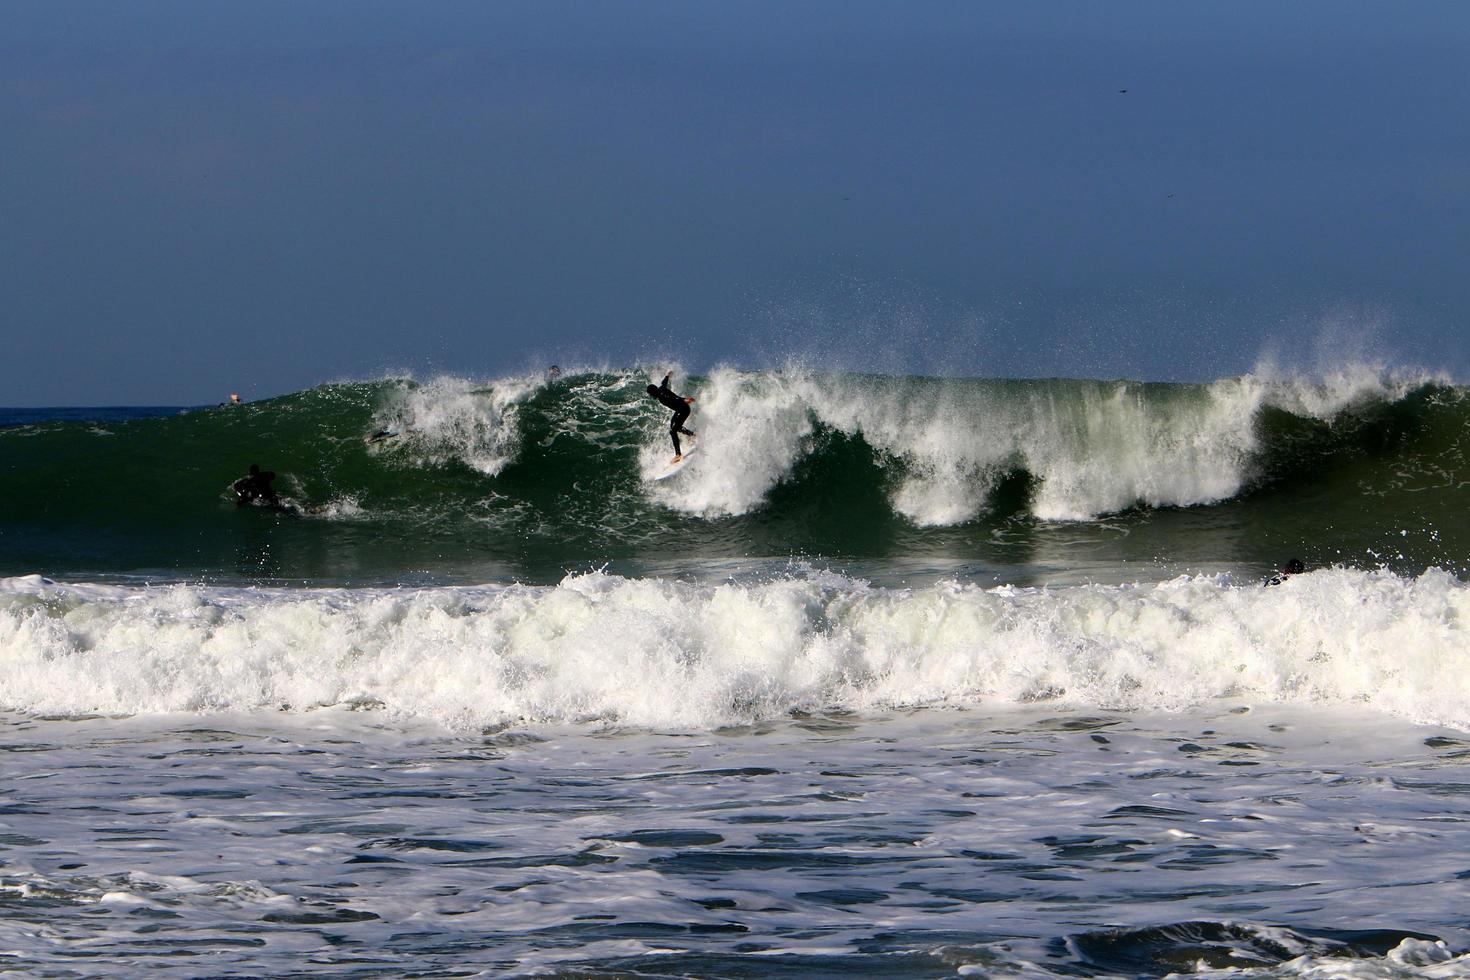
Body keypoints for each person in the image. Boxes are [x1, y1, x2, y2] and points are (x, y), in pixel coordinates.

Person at [646, 371, 696, 461]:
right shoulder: (661, 389)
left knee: (673, 430)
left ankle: (678, 455)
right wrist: (667, 376)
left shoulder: (661, 395)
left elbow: (675, 399)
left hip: (683, 408)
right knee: (676, 427)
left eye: (650, 394)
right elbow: (663, 383)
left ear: (653, 392)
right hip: (682, 409)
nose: (651, 396)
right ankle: (692, 435)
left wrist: (684, 400)